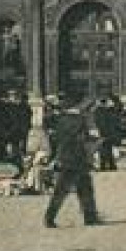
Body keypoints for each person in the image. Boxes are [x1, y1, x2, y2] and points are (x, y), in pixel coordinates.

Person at [43, 95, 100, 228]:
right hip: (79, 158)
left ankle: (50, 217)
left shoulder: (61, 119)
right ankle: (89, 217)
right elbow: (88, 138)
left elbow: (55, 137)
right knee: (85, 189)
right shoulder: (81, 120)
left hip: (64, 157)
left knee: (61, 190)